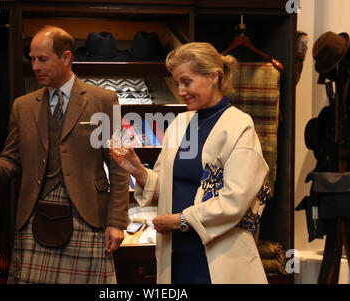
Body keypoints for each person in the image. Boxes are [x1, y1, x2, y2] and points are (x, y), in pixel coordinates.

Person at [0, 25, 129, 284]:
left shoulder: (103, 100)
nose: (35, 66)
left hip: (87, 216)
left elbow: (120, 166)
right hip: (34, 216)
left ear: (66, 58)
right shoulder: (22, 106)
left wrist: (117, 221)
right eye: (32, 59)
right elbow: (11, 162)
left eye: (42, 59)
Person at [109, 42, 269, 284]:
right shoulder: (180, 123)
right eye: (177, 84)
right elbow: (166, 188)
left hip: (220, 260)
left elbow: (236, 199)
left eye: (186, 82)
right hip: (175, 257)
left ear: (213, 77)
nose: (181, 91)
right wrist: (137, 170)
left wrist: (179, 220)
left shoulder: (239, 125)